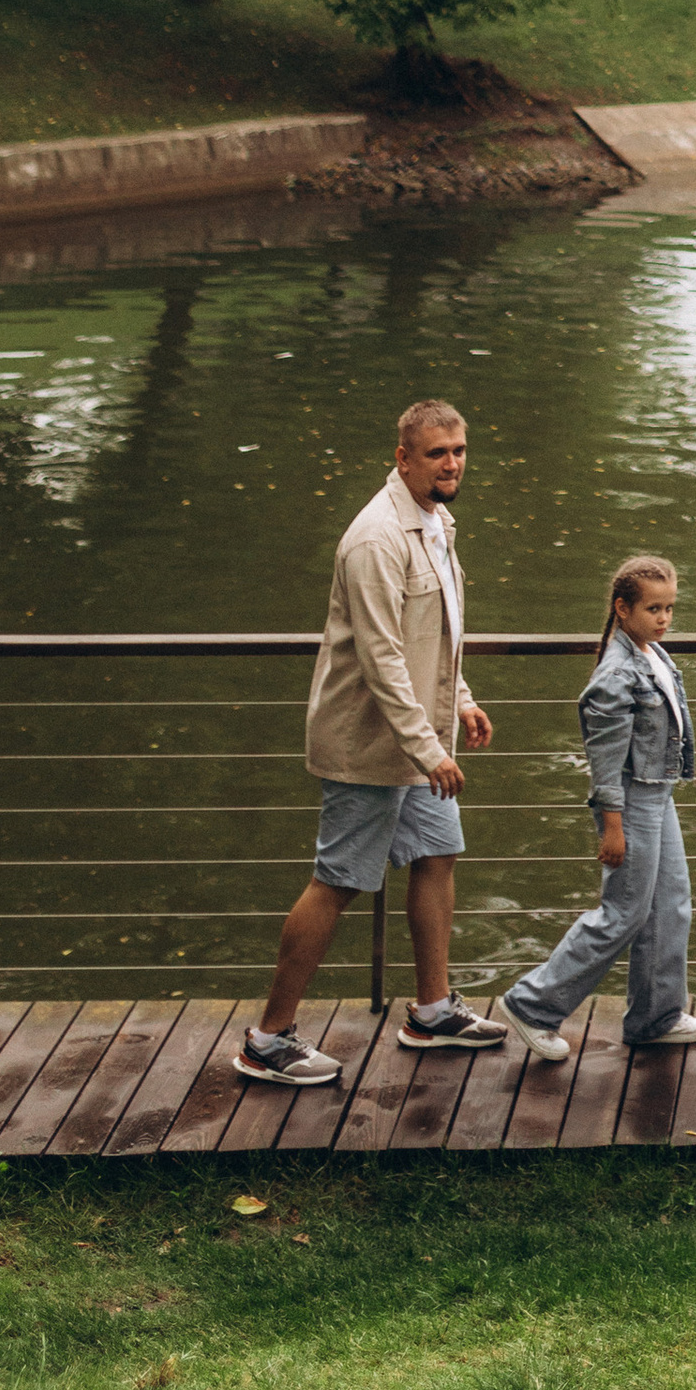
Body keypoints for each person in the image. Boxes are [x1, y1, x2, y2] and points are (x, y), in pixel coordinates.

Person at [235, 397, 502, 1086]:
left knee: (438, 854)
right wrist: (429, 749)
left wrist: (461, 703)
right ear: (403, 457)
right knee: (339, 881)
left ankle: (433, 1011)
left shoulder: (437, 523)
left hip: (418, 741)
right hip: (369, 743)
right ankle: (267, 1040)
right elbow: (383, 660)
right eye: (437, 452)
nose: (452, 463)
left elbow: (432, 639)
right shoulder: (376, 539)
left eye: (459, 450)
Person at [489, 554, 696, 1065]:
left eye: (670, 608)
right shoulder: (616, 675)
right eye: (653, 608)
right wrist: (612, 827)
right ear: (622, 608)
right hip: (631, 802)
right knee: (623, 913)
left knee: (669, 905)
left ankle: (655, 1018)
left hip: (659, 791)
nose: (664, 618)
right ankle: (533, 1004)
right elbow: (605, 764)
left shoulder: (651, 653)